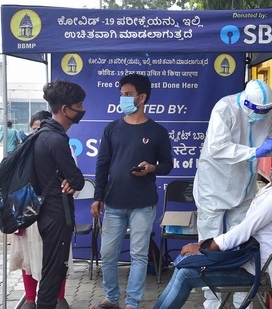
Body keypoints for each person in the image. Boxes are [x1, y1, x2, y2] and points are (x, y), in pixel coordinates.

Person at [155, 149, 272, 309]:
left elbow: (244, 231)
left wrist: (204, 247)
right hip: (243, 258)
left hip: (250, 269)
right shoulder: (271, 189)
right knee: (182, 266)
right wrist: (208, 243)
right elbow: (243, 229)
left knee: (186, 275)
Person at [192, 79, 272, 308]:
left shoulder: (268, 111)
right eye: (257, 111)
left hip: (245, 185)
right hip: (214, 185)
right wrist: (255, 151)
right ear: (245, 103)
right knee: (209, 245)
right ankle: (212, 303)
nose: (261, 115)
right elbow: (217, 147)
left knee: (241, 243)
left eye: (266, 111)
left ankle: (241, 299)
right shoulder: (225, 108)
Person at [90, 73, 173, 309]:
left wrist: (152, 168)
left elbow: (168, 165)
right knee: (108, 255)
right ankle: (111, 299)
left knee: (139, 255)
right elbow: (102, 164)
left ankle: (132, 304)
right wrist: (98, 196)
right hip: (113, 202)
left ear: (142, 97)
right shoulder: (112, 128)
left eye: (128, 95)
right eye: (121, 95)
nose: (123, 99)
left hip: (143, 204)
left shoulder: (157, 131)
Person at [9, 109, 73, 309]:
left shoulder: (60, 147)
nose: (38, 133)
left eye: (41, 129)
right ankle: (30, 298)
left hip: (54, 214)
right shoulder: (24, 152)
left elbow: (72, 181)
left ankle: (58, 296)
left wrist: (70, 184)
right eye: (34, 129)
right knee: (29, 257)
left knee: (56, 259)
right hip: (29, 214)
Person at [33, 80, 85, 309]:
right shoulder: (56, 140)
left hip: (46, 214)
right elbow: (76, 179)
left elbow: (70, 180)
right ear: (65, 109)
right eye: (79, 104)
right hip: (56, 216)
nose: (82, 109)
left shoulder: (42, 133)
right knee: (53, 274)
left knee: (52, 270)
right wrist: (71, 181)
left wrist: (69, 180)